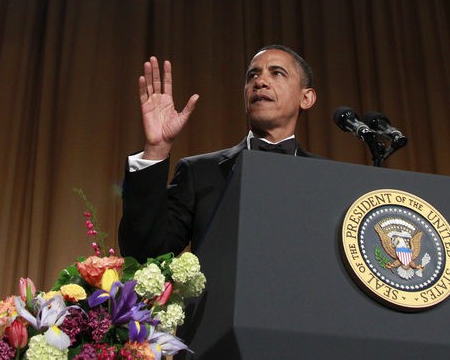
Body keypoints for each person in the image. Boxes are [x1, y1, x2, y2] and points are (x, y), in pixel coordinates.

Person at [118, 45, 319, 261]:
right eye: (253, 75)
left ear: (306, 98)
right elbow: (143, 254)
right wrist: (156, 149)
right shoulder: (199, 173)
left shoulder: (325, 178)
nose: (260, 82)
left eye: (277, 73)